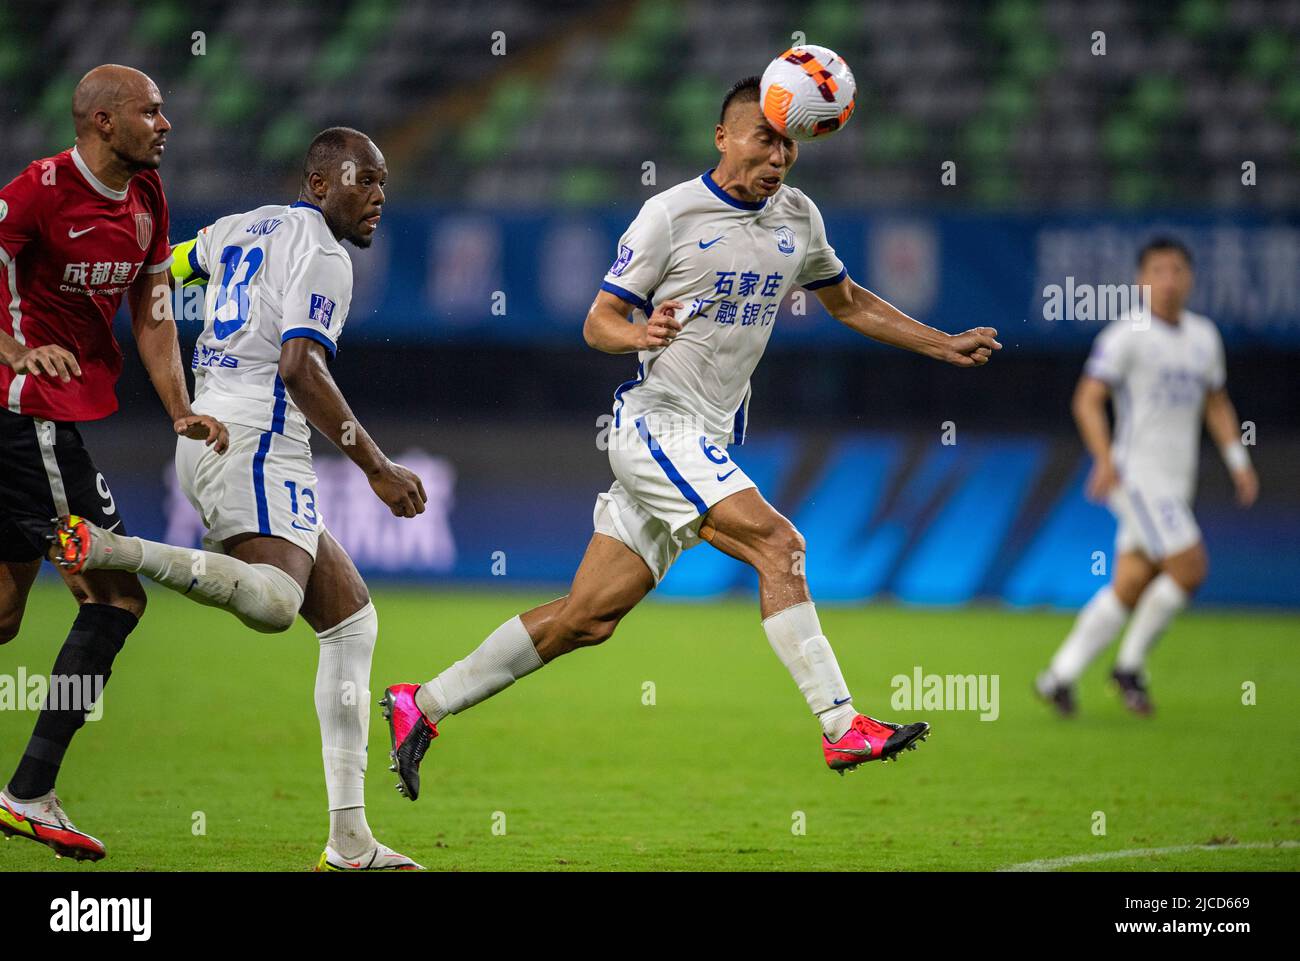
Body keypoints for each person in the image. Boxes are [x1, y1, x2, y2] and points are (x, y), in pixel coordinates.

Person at [379, 76, 1001, 802]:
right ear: (723, 136)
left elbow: (849, 301)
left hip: (704, 441)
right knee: (781, 545)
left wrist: (941, 343)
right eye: (764, 138)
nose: (778, 156)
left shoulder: (799, 218)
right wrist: (638, 331)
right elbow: (597, 321)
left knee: (587, 618)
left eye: (789, 142)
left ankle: (419, 704)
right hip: (655, 425)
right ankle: (841, 723)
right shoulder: (669, 215)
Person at [49, 127, 428, 871]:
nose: (378, 196)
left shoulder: (238, 228)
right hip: (255, 442)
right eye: (364, 180)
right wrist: (377, 467)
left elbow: (158, 270)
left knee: (350, 620)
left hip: (209, 432)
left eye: (384, 183)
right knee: (278, 604)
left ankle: (350, 841)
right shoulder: (321, 251)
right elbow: (300, 368)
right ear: (321, 183)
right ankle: (118, 548)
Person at [0, 65, 228, 862]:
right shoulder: (37, 191)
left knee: (2, 614)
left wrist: (180, 407)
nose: (166, 123)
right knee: (117, 597)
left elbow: (155, 314)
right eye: (151, 111)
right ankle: (29, 792)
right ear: (102, 121)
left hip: (39, 423)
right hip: (27, 417)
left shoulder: (148, 202)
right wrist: (19, 349)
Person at [1037, 237, 1258, 716]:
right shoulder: (1126, 336)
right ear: (1140, 281)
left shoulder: (1204, 337)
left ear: (1191, 278)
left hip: (1177, 479)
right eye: (1158, 271)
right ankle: (1130, 666)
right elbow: (1087, 399)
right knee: (1190, 567)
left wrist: (1239, 462)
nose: (1168, 280)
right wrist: (1104, 458)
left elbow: (1216, 403)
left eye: (1177, 270)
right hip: (1137, 477)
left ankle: (1059, 675)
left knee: (1133, 581)